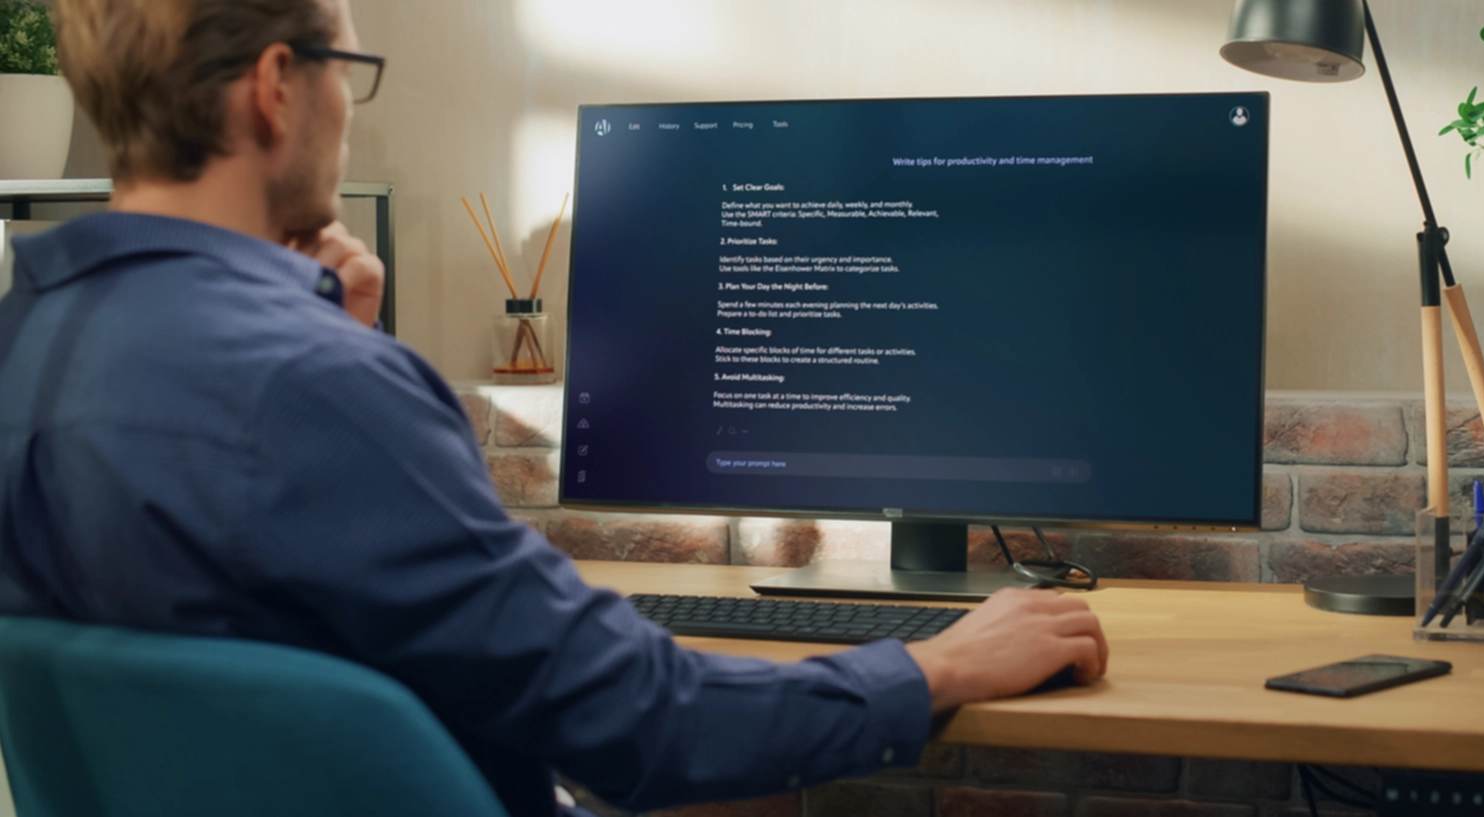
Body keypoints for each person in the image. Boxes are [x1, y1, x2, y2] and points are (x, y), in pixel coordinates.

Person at [0, 1, 1109, 815]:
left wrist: (329, 333)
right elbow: (646, 724)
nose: (349, 102)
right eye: (351, 66)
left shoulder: (29, 342)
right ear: (277, 84)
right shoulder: (313, 389)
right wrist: (939, 665)